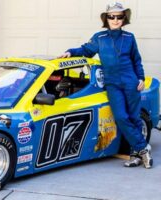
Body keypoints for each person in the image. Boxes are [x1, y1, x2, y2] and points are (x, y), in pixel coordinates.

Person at [58, 2, 153, 168]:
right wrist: (71, 52)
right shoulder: (99, 38)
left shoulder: (129, 38)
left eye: (119, 16)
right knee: (121, 117)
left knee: (134, 118)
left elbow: (136, 60)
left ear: (124, 19)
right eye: (112, 16)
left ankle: (135, 155)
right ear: (106, 19)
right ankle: (143, 148)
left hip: (131, 81)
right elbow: (85, 50)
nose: (115, 20)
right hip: (112, 84)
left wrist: (141, 78)